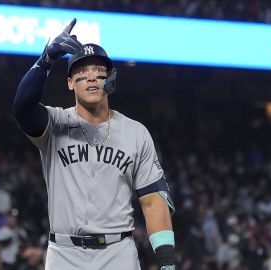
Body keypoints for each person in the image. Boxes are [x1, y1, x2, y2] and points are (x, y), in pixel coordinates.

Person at [13, 18, 176, 270]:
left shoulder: (135, 132)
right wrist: (47, 58)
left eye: (98, 71)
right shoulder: (55, 122)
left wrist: (166, 262)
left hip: (117, 252)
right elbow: (22, 108)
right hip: (64, 253)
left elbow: (153, 199)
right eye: (81, 72)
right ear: (69, 83)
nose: (90, 77)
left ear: (110, 79)